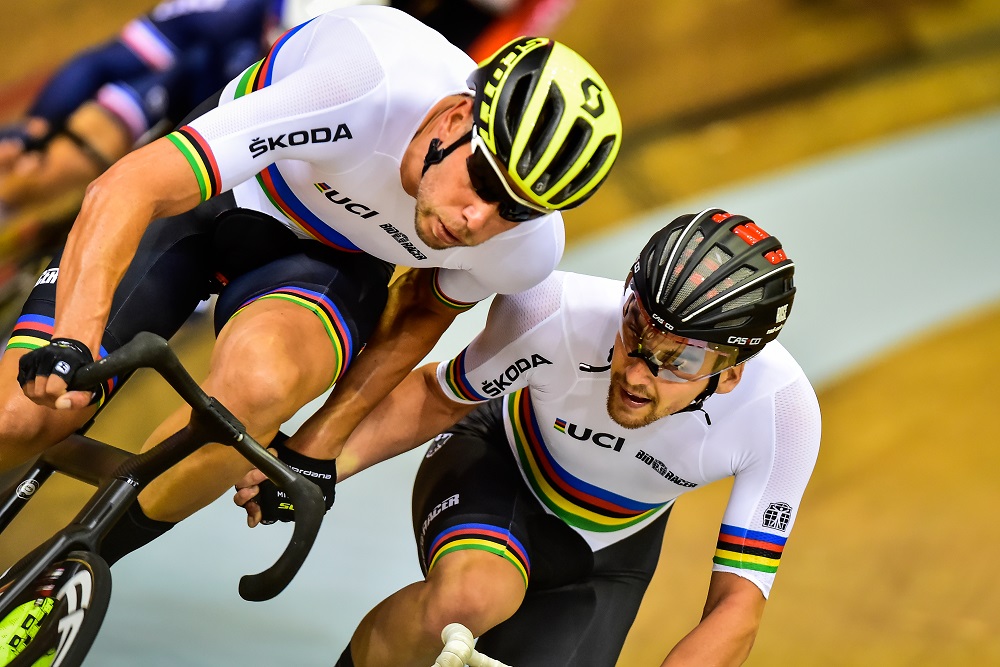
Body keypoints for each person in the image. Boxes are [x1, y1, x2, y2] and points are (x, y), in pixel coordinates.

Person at [0, 5, 622, 581]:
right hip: (213, 199)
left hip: (322, 266)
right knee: (23, 415)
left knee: (257, 394)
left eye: (516, 209)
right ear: (456, 119)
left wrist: (320, 444)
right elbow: (130, 186)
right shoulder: (364, 84)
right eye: (483, 178)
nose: (477, 221)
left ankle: (55, 586)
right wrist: (73, 340)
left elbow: (422, 313)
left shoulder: (527, 249)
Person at [237, 208, 822, 666]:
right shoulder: (552, 312)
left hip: (610, 554)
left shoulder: (782, 413)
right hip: (501, 463)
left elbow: (738, 603)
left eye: (681, 362)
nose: (639, 371)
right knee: (468, 602)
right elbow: (440, 395)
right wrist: (313, 463)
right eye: (636, 328)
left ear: (733, 373)